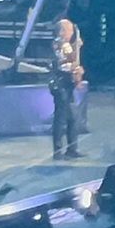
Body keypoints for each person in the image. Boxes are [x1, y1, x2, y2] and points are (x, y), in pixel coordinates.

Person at [50, 12, 85, 160]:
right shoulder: (60, 45)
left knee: (72, 118)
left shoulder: (67, 46)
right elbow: (62, 65)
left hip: (67, 85)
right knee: (61, 118)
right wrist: (75, 69)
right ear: (63, 31)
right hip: (61, 85)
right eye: (69, 30)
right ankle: (58, 151)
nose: (71, 33)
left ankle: (72, 149)